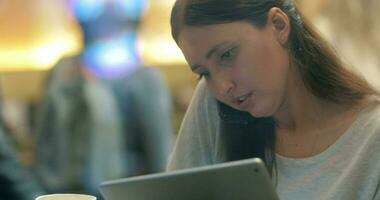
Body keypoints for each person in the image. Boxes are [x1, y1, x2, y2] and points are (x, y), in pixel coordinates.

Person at [166, 0, 380, 199]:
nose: (222, 87)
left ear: (278, 25)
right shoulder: (213, 105)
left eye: (227, 55)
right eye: (204, 73)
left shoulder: (371, 136)